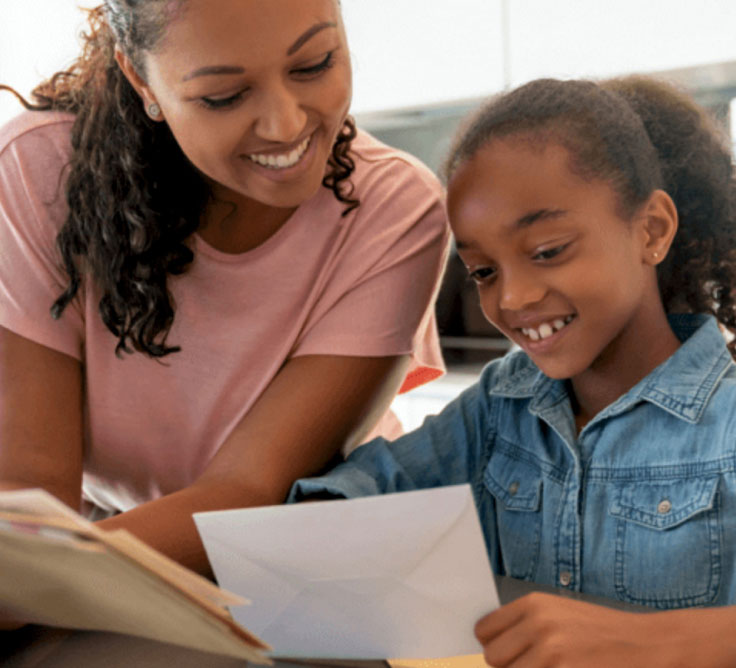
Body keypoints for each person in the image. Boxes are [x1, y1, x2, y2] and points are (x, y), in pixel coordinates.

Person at [289, 75, 736, 667]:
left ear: (650, 230)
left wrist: (654, 642)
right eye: (483, 272)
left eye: (548, 250)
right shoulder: (504, 406)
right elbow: (355, 496)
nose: (514, 299)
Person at [0, 0, 449, 575]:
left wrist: (34, 572)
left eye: (314, 63)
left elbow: (249, 490)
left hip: (316, 562)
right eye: (223, 96)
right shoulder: (39, 171)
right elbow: (29, 487)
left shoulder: (394, 209)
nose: (286, 125)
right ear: (142, 81)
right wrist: (34, 568)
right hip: (115, 553)